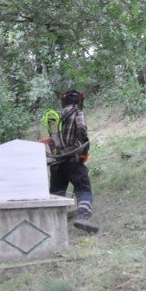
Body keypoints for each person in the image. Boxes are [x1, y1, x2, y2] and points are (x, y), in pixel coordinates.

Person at [49, 90, 97, 233]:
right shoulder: (78, 113)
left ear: (64, 101)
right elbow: (82, 129)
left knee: (57, 193)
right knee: (83, 189)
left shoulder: (55, 116)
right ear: (79, 101)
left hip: (56, 161)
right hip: (73, 160)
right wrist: (85, 146)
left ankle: (53, 223)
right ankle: (82, 216)